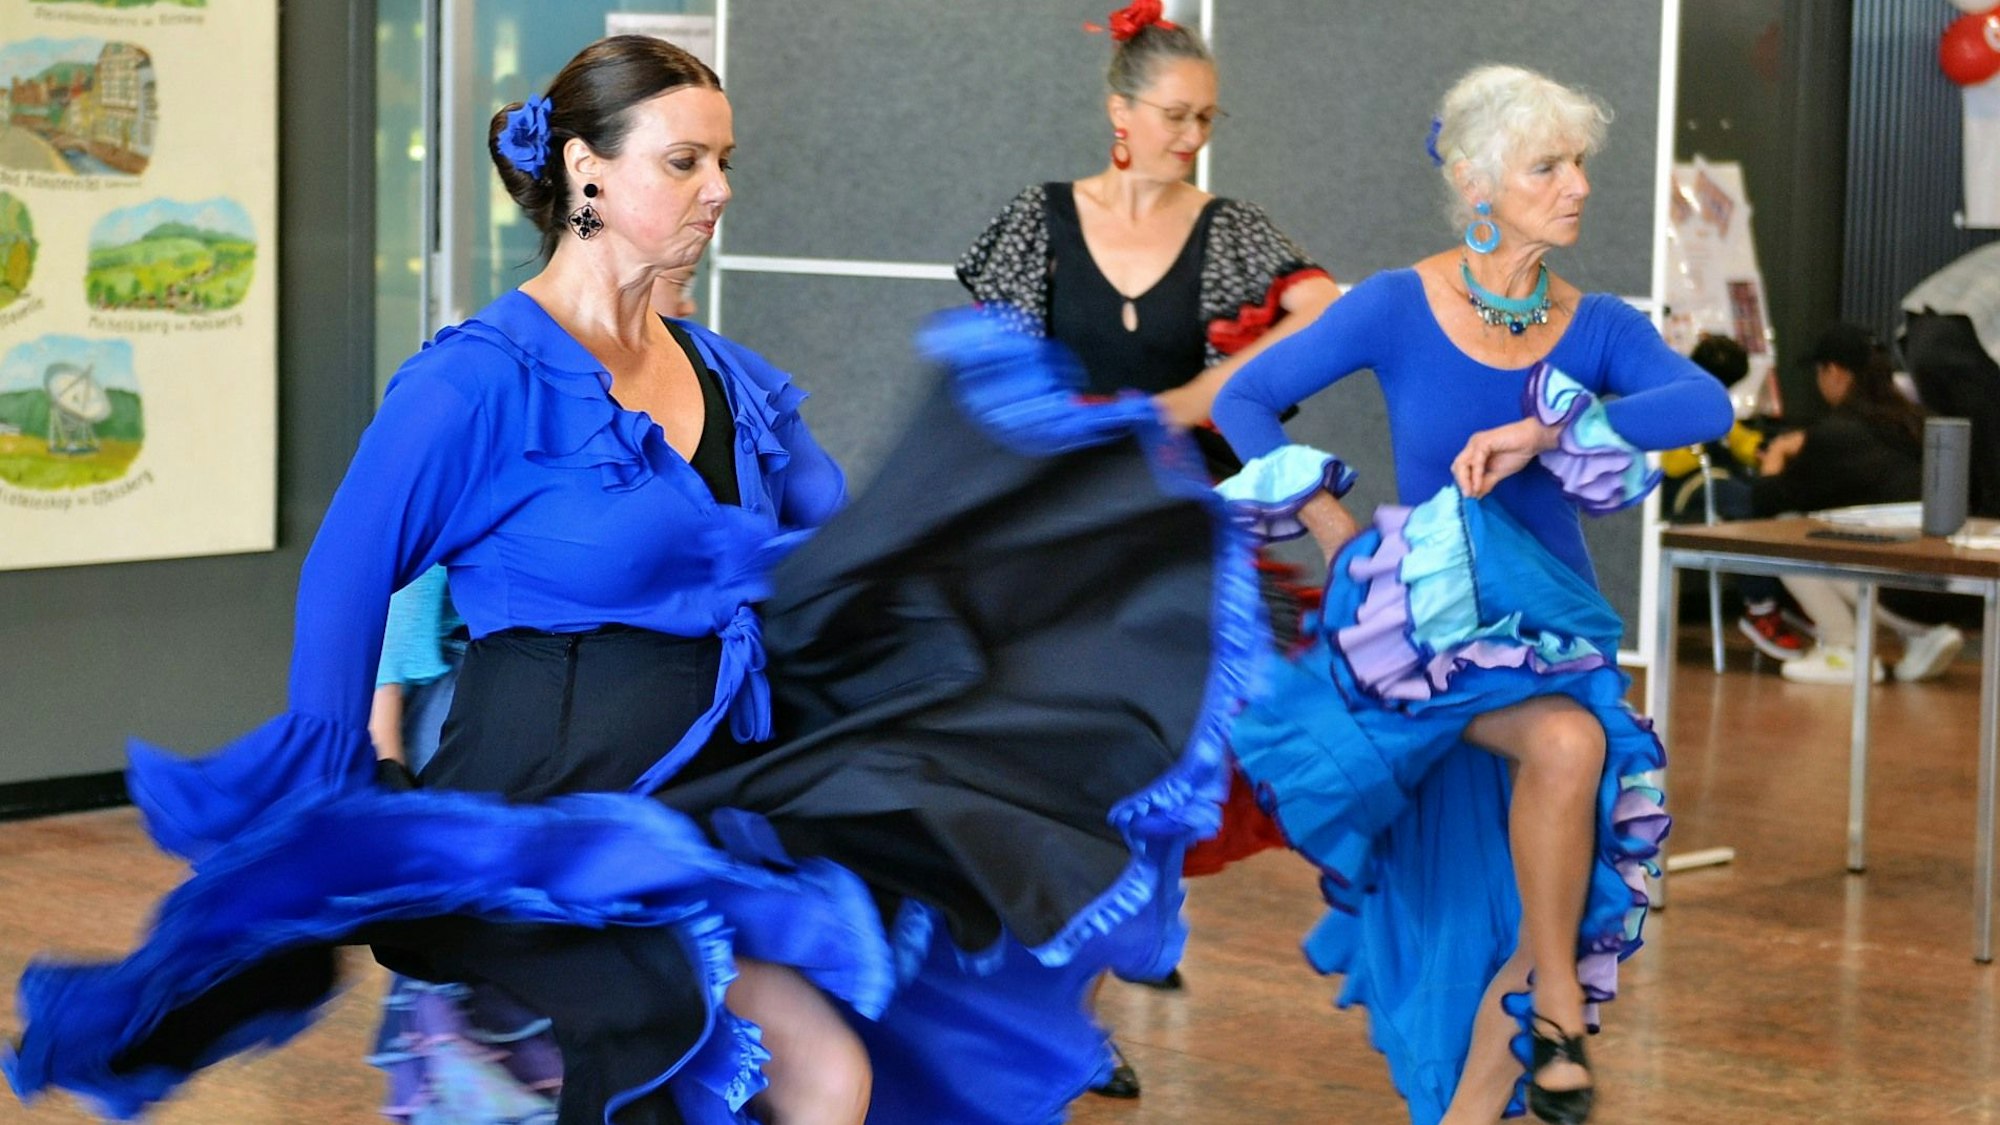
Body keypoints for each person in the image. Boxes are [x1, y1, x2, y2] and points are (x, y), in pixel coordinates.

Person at [6, 37, 1256, 1125]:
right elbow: (345, 578)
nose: (717, 190)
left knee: (833, 1067)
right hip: (531, 819)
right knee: (747, 1051)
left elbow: (851, 551)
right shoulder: (476, 382)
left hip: (705, 809)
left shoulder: (728, 379)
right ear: (585, 171)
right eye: (684, 161)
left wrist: (1078, 502)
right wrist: (347, 798)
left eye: (724, 161)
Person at [1207, 65, 1733, 1125]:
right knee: (1569, 754)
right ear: (1479, 186)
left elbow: (1703, 403)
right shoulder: (1399, 304)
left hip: (1554, 638)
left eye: (1578, 162)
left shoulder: (1593, 324)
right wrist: (1330, 526)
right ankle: (1558, 1020)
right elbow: (1244, 397)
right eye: (1548, 166)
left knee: (1536, 900)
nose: (1577, 185)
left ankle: (1522, 1050)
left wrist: (1547, 429)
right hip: (1426, 643)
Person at [955, 1, 1339, 1095]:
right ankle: (1037, 1014)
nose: (1191, 136)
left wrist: (1188, 399)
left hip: (1177, 553)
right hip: (1051, 548)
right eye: (1174, 114)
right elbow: (987, 376)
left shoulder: (1230, 231)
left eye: (1206, 117)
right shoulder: (1037, 221)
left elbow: (1331, 314)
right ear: (1119, 111)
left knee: (1139, 793)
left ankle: (1077, 1018)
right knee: (1046, 791)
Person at [1749, 322, 1966, 685]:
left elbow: (1767, 501)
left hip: (1896, 594)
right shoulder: (1919, 423)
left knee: (1785, 529)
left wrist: (1776, 457)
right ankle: (1923, 636)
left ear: (1834, 372)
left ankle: (1844, 650)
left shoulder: (1836, 435)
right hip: (1952, 590)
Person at [1658, 334, 1808, 659]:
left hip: (1716, 482)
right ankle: (1760, 607)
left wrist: (1761, 449)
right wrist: (1705, 440)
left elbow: (1738, 438)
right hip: (1685, 490)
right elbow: (1668, 462)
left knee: (1771, 498)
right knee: (1747, 505)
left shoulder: (1711, 401)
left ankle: (1791, 593)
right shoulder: (1672, 399)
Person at [1900, 241, 2000, 519]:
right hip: (1966, 341)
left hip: (1920, 333)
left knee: (1955, 466)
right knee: (1992, 473)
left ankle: (1959, 533)